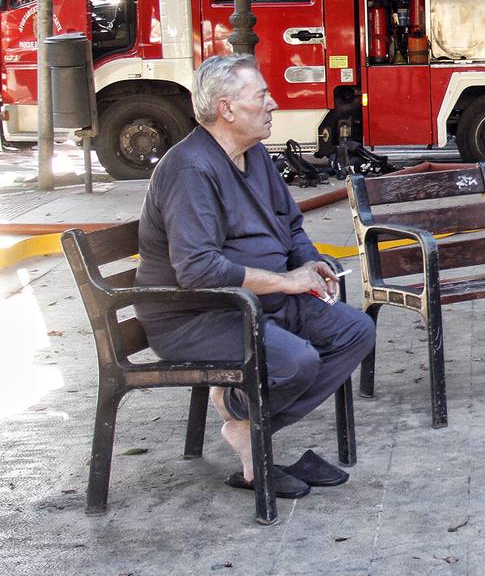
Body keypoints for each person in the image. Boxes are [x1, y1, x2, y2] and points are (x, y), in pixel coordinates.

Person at [135, 54, 376, 498]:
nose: (273, 104)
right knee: (296, 362)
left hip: (257, 301)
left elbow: (290, 226)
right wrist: (287, 281)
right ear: (226, 109)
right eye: (261, 96)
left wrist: (311, 263)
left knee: (355, 330)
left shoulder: (256, 154)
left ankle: (243, 420)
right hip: (200, 315)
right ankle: (243, 421)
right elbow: (198, 270)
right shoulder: (190, 169)